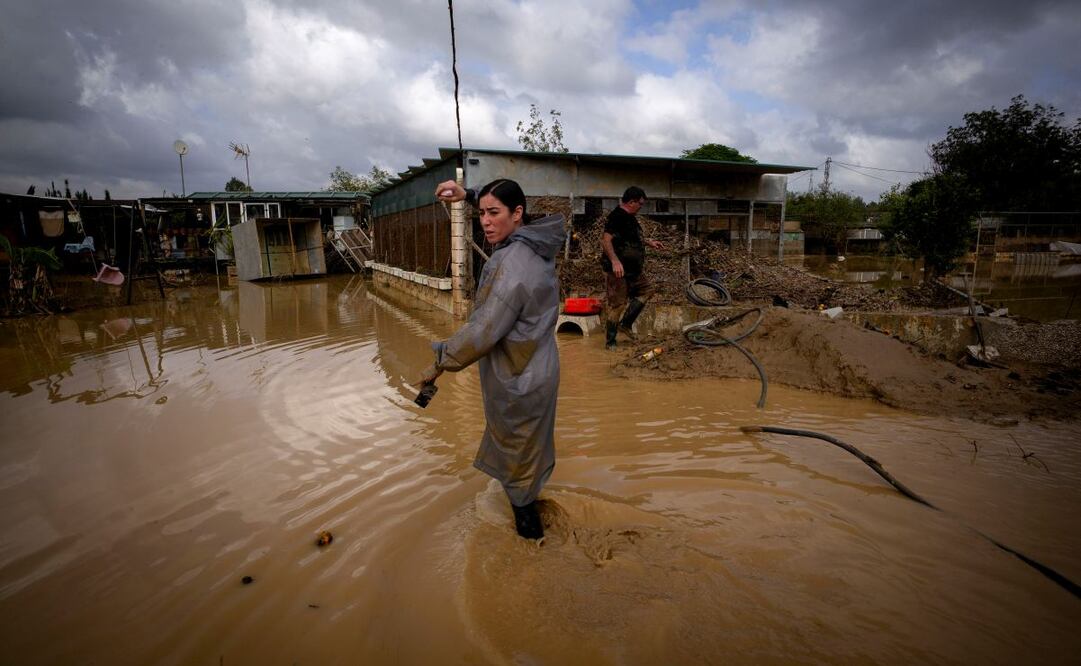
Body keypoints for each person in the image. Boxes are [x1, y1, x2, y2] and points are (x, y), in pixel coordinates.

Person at [418, 178, 566, 540]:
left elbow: (481, 332)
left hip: (519, 381)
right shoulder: (537, 245)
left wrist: (439, 362)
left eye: (493, 213)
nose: (484, 221)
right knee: (526, 460)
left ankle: (530, 558)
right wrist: (467, 194)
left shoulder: (510, 264)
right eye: (481, 212)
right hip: (540, 368)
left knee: (517, 477)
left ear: (517, 214)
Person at [600, 186, 665, 349]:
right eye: (640, 204)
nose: (641, 207)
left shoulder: (631, 217)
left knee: (647, 291)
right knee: (618, 305)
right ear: (631, 202)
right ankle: (611, 342)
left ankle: (626, 324)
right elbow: (606, 240)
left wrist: (649, 242)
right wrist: (615, 261)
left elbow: (632, 238)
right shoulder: (617, 217)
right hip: (618, 270)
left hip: (633, 270)